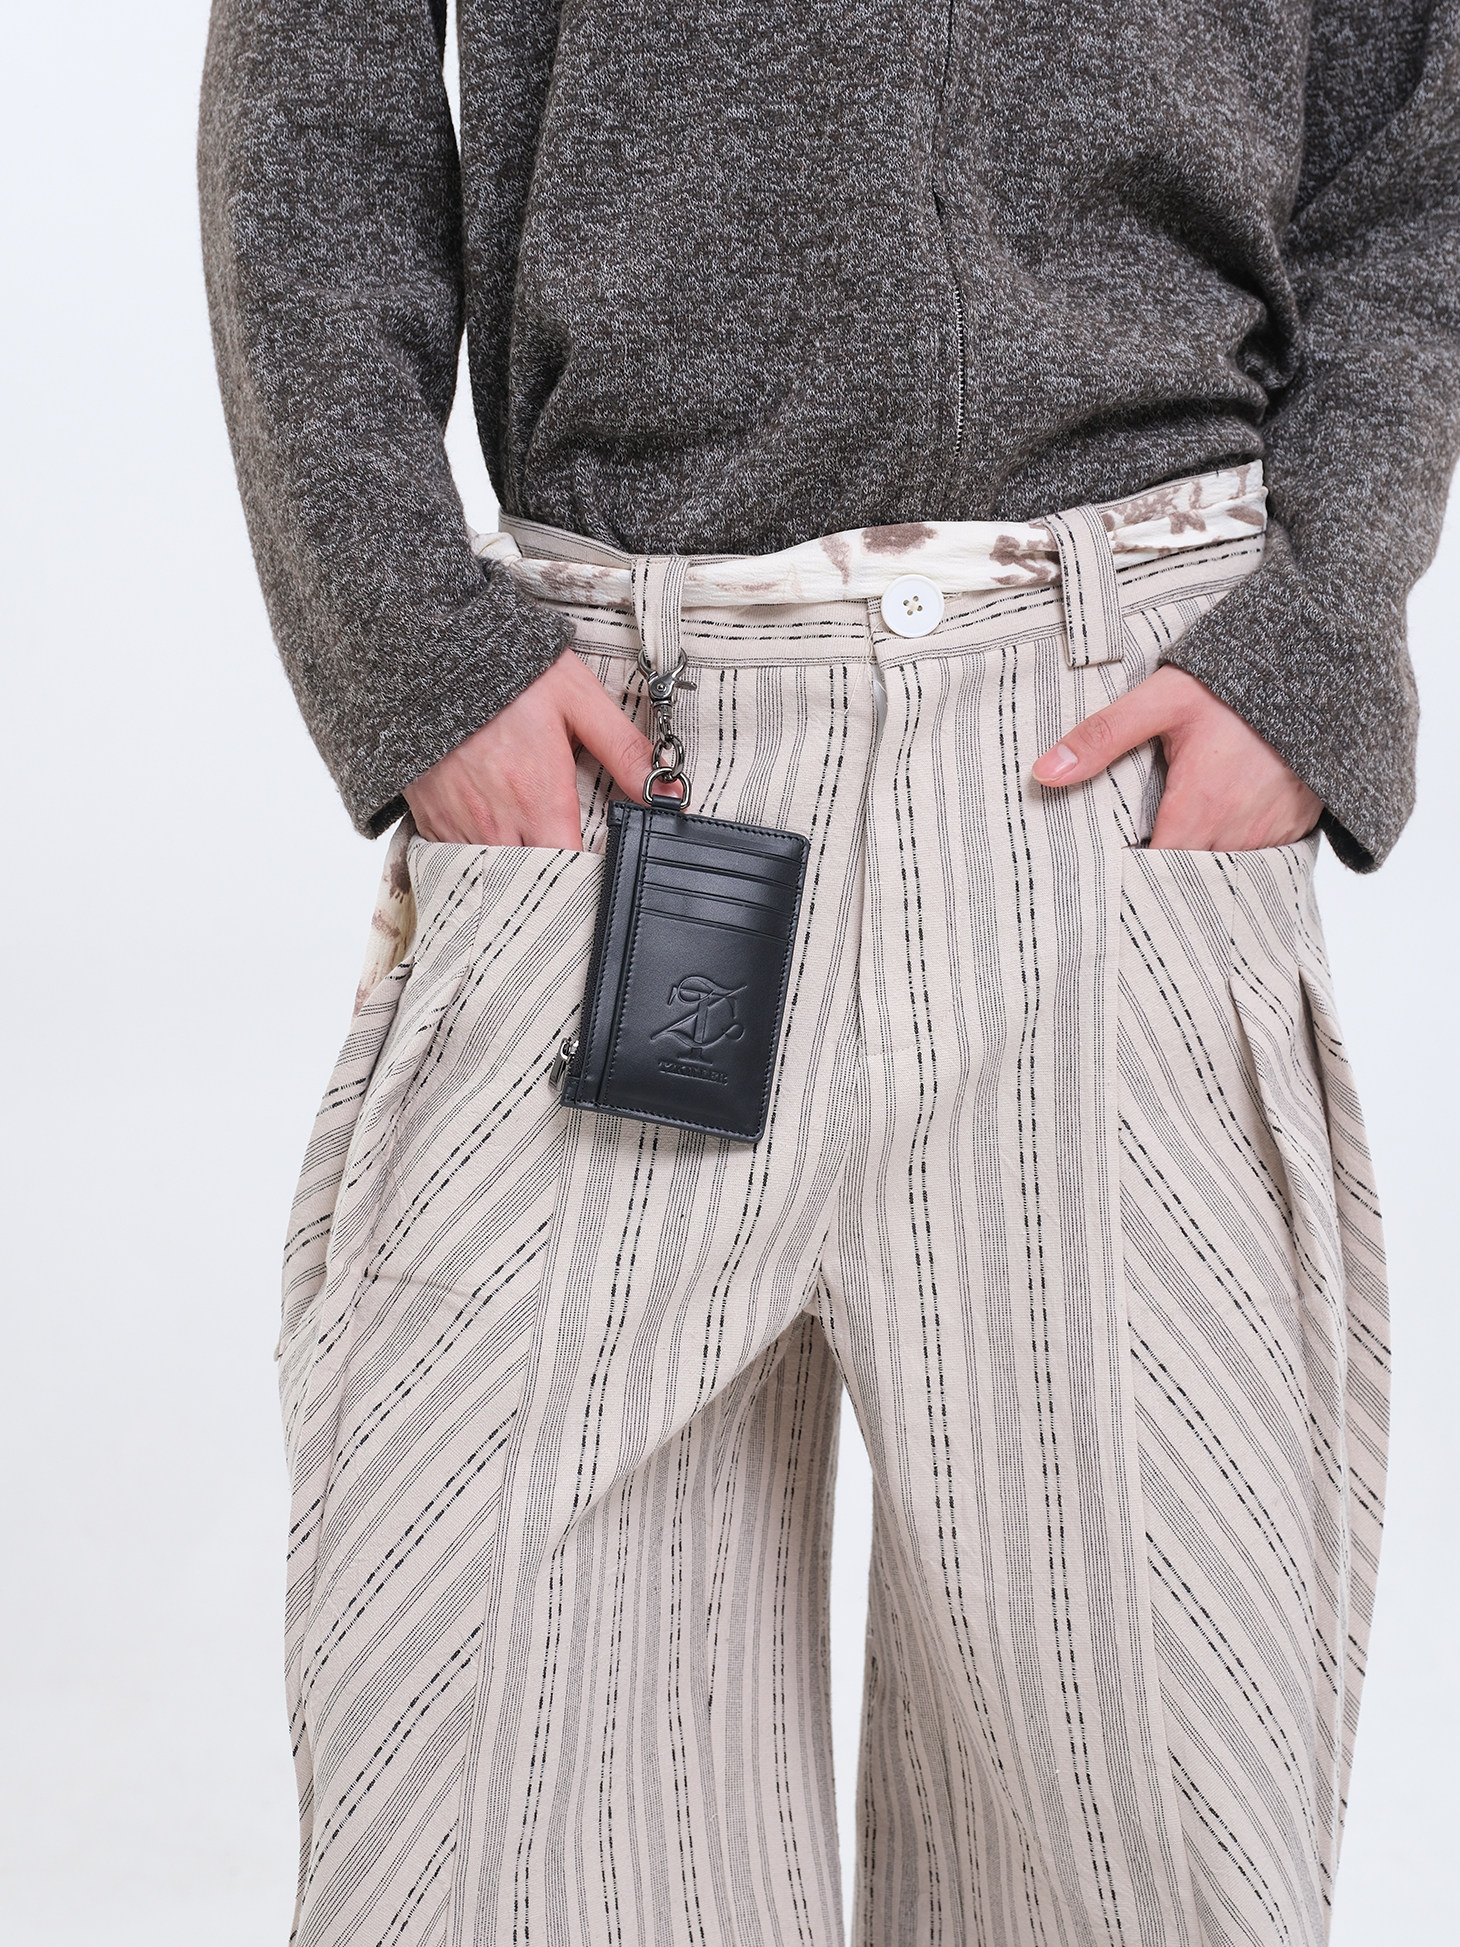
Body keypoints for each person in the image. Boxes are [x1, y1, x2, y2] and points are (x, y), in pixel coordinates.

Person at [198, 3, 1458, 1942]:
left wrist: (1310, 636)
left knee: (1145, 1852)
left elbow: (1421, 133)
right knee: (475, 1832)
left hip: (1109, 760)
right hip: (620, 765)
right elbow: (313, 103)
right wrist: (412, 649)